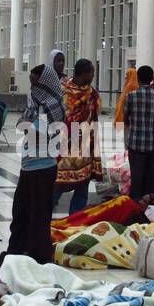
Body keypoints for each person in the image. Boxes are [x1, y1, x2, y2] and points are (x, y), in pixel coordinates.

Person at [1, 62, 64, 265]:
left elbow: (38, 129)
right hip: (28, 166)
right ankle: (15, 252)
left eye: (36, 83)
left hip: (44, 167)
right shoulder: (35, 103)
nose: (33, 88)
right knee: (20, 212)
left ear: (45, 83)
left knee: (39, 215)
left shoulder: (54, 105)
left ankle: (37, 257)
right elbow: (22, 125)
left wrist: (31, 123)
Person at [55, 58, 102, 214]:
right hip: (64, 148)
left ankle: (75, 221)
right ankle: (41, 220)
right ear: (84, 73)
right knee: (58, 185)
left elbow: (94, 118)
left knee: (82, 188)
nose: (93, 75)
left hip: (84, 149)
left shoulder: (91, 93)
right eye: (92, 72)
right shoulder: (62, 90)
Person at [122, 64, 154, 201]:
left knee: (137, 177)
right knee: (152, 178)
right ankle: (151, 205)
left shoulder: (131, 96)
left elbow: (125, 119)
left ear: (138, 78)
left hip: (135, 143)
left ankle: (136, 205)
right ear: (151, 78)